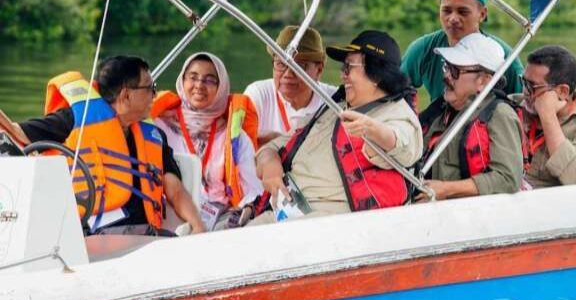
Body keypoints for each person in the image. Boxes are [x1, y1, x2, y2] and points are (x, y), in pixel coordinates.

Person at [0, 56, 206, 235]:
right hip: (86, 237)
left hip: (147, 237)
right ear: (126, 95)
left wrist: (198, 226)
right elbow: (15, 133)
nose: (155, 94)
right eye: (150, 88)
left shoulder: (154, 136)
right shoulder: (73, 119)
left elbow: (175, 189)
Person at [254, 30, 423, 223]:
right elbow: (274, 146)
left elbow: (405, 147)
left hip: (326, 221)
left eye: (348, 67)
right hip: (282, 209)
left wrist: (372, 129)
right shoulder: (334, 108)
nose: (342, 75)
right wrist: (269, 164)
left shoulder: (396, 114)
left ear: (376, 74)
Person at [152, 52, 263, 230]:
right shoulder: (157, 128)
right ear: (182, 80)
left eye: (210, 80)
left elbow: (253, 189)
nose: (199, 85)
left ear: (221, 87)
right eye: (193, 77)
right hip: (169, 213)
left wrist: (245, 210)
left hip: (220, 218)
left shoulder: (235, 137)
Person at [416, 33, 524, 201]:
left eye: (455, 70)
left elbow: (507, 178)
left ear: (483, 81)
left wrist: (445, 189)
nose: (446, 76)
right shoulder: (439, 110)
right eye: (446, 66)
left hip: (470, 215)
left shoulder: (500, 114)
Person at [401, 0, 524, 103]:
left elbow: (522, 104)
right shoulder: (423, 49)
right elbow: (393, 89)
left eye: (463, 12)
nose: (453, 18)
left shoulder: (505, 57)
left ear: (482, 14)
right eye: (446, 11)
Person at [519, 45, 576, 188]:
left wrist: (547, 116)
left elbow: (575, 177)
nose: (525, 92)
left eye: (532, 87)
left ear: (562, 91)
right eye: (523, 82)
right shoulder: (513, 106)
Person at [244, 25, 337, 145]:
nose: (288, 74)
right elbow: (236, 145)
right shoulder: (258, 94)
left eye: (299, 66)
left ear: (319, 70)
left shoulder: (335, 101)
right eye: (280, 64)